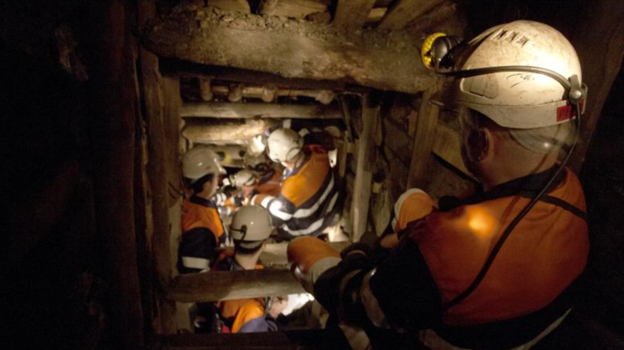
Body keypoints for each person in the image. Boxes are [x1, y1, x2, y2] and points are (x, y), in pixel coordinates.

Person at [287, 20, 589, 350]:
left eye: (461, 123)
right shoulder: (568, 187)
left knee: (302, 248)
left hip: (430, 331)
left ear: (480, 142)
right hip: (505, 318)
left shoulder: (445, 250)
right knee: (412, 200)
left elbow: (358, 300)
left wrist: (360, 256)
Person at [251, 128, 339, 241]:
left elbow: (276, 218)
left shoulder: (293, 187)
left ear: (281, 159)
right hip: (329, 203)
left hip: (315, 223)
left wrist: (257, 199)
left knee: (275, 226)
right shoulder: (317, 151)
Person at [214, 205, 288, 333]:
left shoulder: (221, 260)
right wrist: (272, 314)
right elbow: (261, 342)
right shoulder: (252, 309)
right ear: (264, 244)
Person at [177, 146, 228, 274]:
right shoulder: (200, 226)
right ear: (206, 184)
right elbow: (196, 277)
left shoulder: (197, 206)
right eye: (216, 178)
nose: (218, 182)